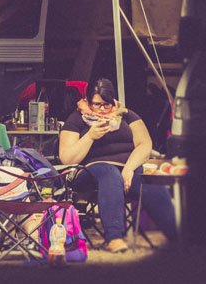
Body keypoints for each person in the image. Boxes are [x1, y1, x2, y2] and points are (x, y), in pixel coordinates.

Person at [59, 78, 177, 253]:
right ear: (87, 100)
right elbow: (67, 158)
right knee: (109, 173)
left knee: (148, 180)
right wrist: (90, 136)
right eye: (97, 104)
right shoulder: (77, 119)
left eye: (107, 104)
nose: (102, 109)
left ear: (113, 101)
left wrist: (129, 168)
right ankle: (114, 237)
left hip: (127, 168)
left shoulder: (127, 115)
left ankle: (176, 235)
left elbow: (145, 144)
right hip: (91, 170)